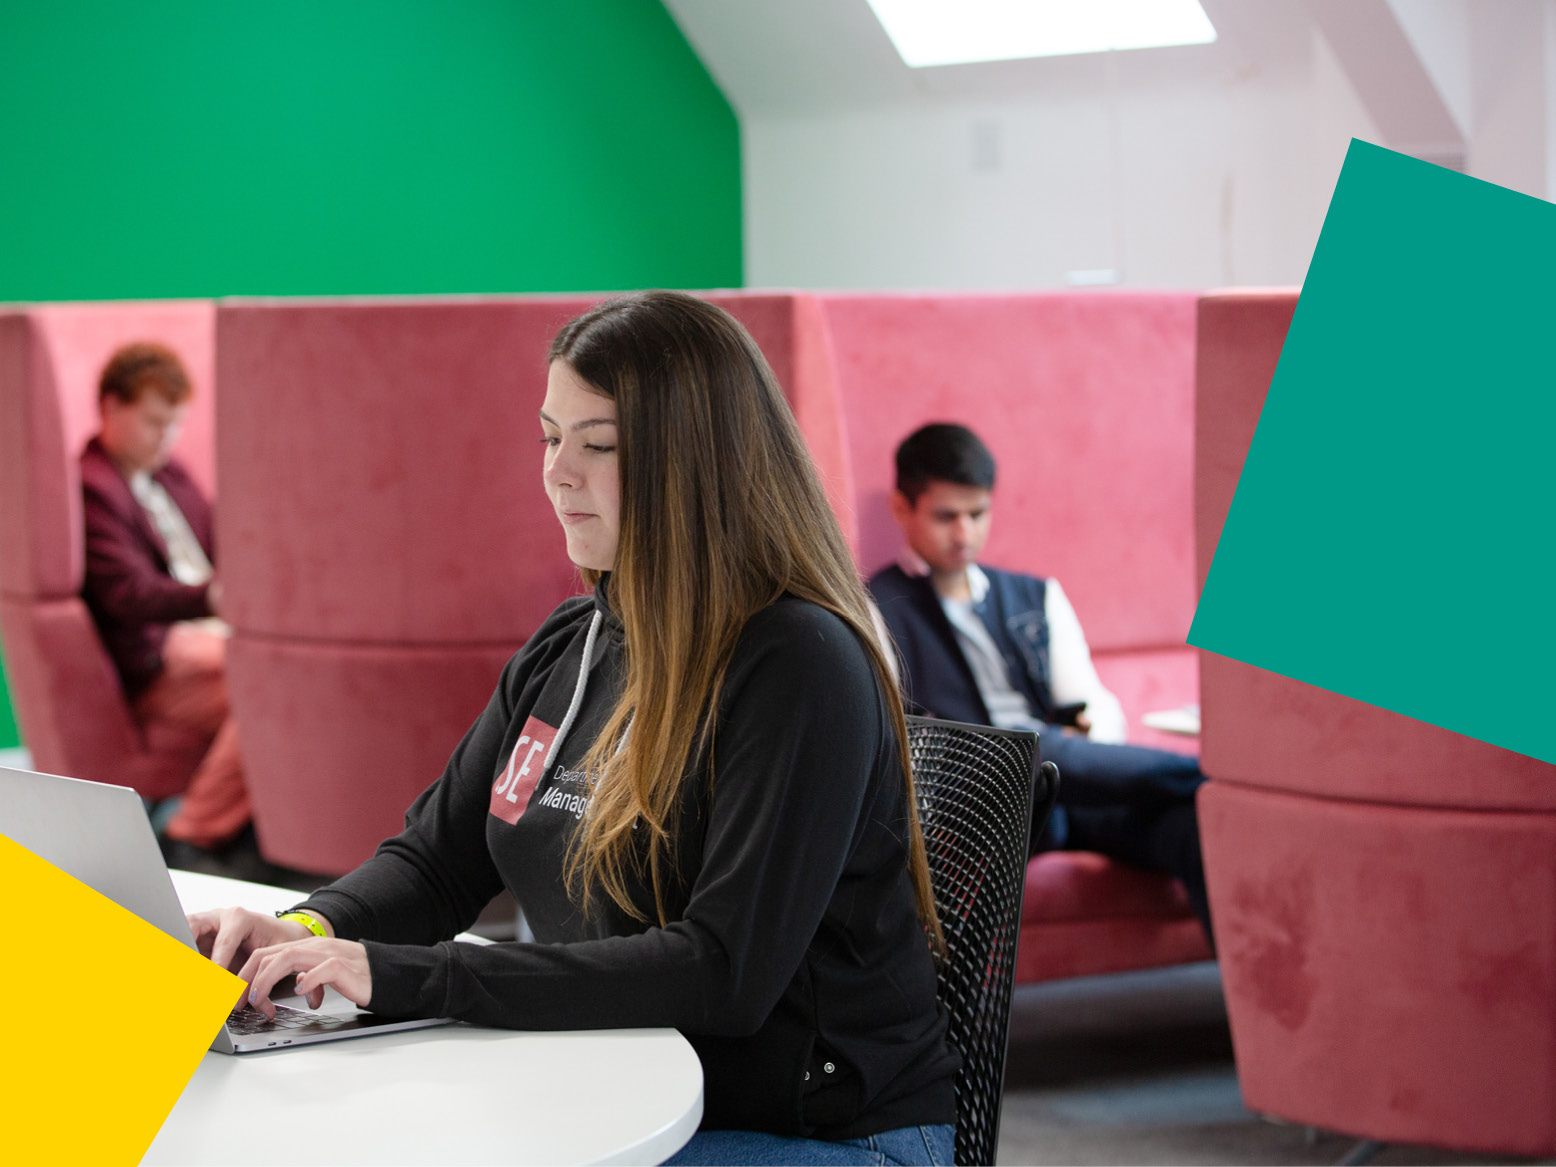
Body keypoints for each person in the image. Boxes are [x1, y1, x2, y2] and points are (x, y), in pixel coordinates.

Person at [189, 292, 959, 1166]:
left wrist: (410, 976)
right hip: (618, 1090)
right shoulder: (577, 639)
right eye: (551, 437)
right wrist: (312, 931)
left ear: (697, 465)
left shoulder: (798, 662)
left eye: (598, 445)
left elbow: (723, 970)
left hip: (816, 1130)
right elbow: (437, 862)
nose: (559, 471)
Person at [868, 423, 1211, 940]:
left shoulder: (1035, 595)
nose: (964, 533)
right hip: (986, 801)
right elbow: (900, 739)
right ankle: (1212, 777)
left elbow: (1089, 704)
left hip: (1071, 789)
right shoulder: (876, 607)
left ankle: (1250, 1013)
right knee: (1028, 750)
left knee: (1190, 824)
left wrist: (1090, 733)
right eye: (946, 516)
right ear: (902, 509)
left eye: (977, 514)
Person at [81, 342, 251, 859]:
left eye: (175, 423)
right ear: (111, 407)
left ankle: (231, 829)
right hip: (162, 649)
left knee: (275, 676)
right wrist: (214, 597)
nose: (167, 437)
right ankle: (189, 835)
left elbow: (218, 538)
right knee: (264, 684)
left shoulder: (169, 473)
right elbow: (127, 593)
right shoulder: (93, 487)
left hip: (210, 630)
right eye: (155, 422)